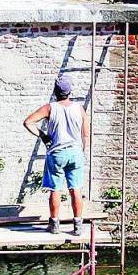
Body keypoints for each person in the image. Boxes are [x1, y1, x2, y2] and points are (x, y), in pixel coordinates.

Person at [22, 75, 90, 235]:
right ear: (70, 91)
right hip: (75, 153)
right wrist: (82, 151)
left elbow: (28, 122)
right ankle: (78, 225)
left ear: (55, 91)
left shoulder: (50, 108)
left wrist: (43, 136)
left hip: (57, 153)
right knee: (76, 189)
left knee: (56, 189)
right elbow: (86, 134)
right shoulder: (79, 108)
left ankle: (54, 224)